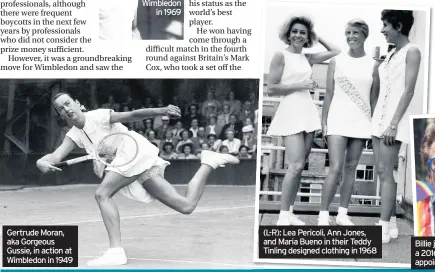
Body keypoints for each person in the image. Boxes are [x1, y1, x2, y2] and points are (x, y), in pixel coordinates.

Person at [36, 93, 239, 266]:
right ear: (61, 115)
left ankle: (116, 251)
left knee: (102, 194)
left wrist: (162, 110)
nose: (66, 109)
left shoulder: (97, 116)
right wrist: (41, 162)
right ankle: (209, 162)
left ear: (78, 104)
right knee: (186, 205)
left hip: (132, 152)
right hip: (132, 165)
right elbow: (55, 156)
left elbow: (133, 115)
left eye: (68, 103)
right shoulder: (74, 135)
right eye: (61, 108)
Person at [266, 15, 340, 226]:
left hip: (307, 111)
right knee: (296, 165)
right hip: (290, 111)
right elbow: (272, 88)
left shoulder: (307, 57)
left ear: (308, 36)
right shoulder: (280, 55)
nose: (298, 35)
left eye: (303, 32)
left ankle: (289, 213)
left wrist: (318, 36)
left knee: (301, 165)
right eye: (295, 31)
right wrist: (302, 85)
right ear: (288, 34)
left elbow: (335, 51)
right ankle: (282, 216)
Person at [318, 19, 379, 225]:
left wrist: (373, 126)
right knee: (335, 167)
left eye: (355, 33)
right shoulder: (337, 61)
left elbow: (374, 99)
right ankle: (323, 215)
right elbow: (328, 93)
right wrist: (324, 122)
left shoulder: (374, 65)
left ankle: (342, 214)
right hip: (337, 118)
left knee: (351, 166)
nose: (351, 37)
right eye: (348, 33)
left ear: (364, 36)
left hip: (361, 121)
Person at [371, 10, 421, 243]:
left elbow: (408, 91)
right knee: (382, 172)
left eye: (385, 25)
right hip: (379, 120)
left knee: (386, 171)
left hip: (393, 121)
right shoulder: (392, 53)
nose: (382, 30)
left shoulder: (412, 51)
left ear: (399, 26)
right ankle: (390, 224)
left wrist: (393, 124)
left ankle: (381, 227)